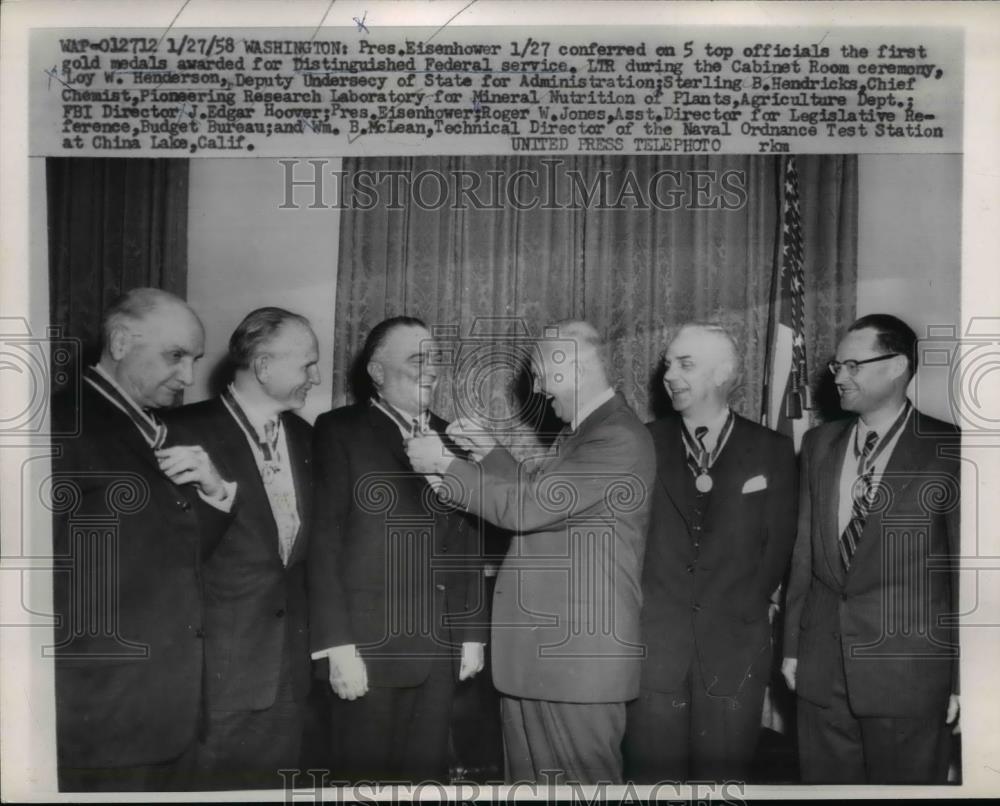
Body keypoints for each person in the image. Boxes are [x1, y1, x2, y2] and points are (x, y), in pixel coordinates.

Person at [407, 320, 656, 785]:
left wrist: (444, 464)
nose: (539, 390)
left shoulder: (616, 437)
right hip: (547, 659)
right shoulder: (582, 434)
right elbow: (546, 499)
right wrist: (489, 453)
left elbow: (529, 508)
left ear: (570, 370)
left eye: (541, 376)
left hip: (577, 663)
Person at [50, 288, 234, 792]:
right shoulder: (58, 426)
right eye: (175, 355)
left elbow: (179, 557)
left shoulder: (155, 429)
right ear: (121, 340)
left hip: (167, 712)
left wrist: (215, 493)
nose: (189, 377)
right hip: (99, 715)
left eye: (194, 360)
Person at [782, 313, 960, 784]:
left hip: (909, 679)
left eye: (853, 365)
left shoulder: (952, 450)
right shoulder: (819, 444)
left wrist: (964, 680)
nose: (838, 376)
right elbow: (804, 552)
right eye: (836, 366)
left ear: (898, 365)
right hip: (821, 673)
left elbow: (966, 574)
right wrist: (793, 648)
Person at [307, 316, 487, 782]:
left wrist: (471, 634)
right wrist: (337, 648)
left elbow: (467, 542)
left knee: (425, 784)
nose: (431, 369)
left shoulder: (456, 440)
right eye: (416, 359)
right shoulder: (338, 430)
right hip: (367, 652)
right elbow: (323, 543)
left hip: (440, 652)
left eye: (435, 359)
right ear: (377, 372)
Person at [623, 323, 797, 782]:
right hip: (653, 653)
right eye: (667, 364)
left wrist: (735, 612)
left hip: (735, 655)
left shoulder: (772, 450)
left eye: (686, 364)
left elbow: (777, 550)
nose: (670, 375)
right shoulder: (641, 443)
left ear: (722, 374)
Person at [163, 308, 320, 789]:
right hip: (213, 678)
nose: (315, 378)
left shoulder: (307, 437)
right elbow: (164, 558)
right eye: (307, 365)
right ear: (265, 366)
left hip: (289, 676)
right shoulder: (178, 432)